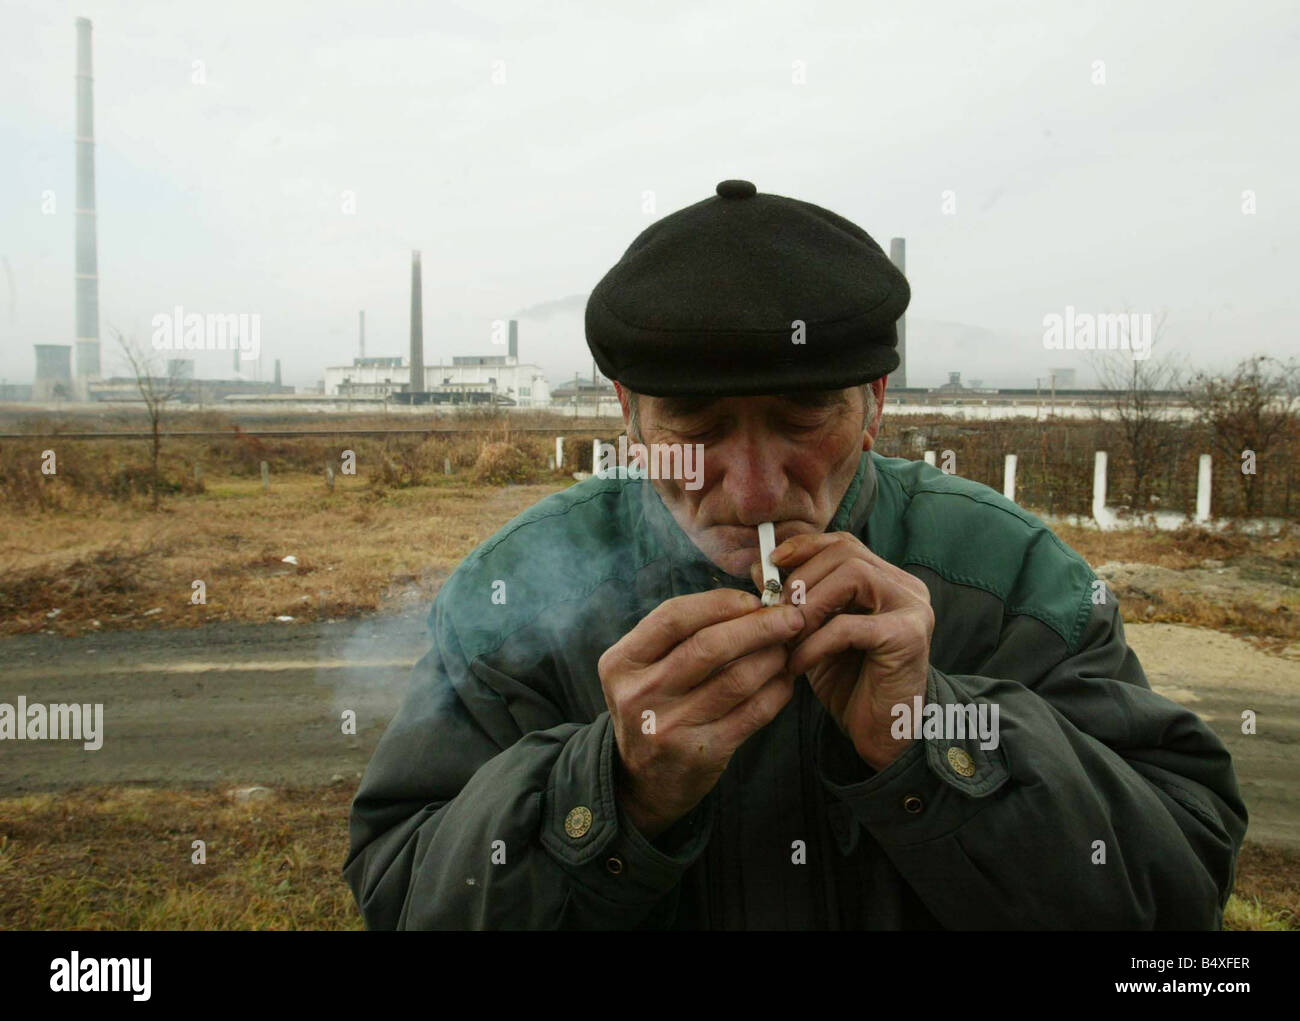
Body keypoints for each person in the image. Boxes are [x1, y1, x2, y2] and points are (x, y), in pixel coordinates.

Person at [343, 180, 1246, 929]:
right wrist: (612, 793)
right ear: (627, 410)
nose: (752, 490)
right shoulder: (513, 591)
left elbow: (1180, 890)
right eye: (693, 429)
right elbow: (399, 892)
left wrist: (934, 738)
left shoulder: (1008, 577)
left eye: (803, 418)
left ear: (875, 401)